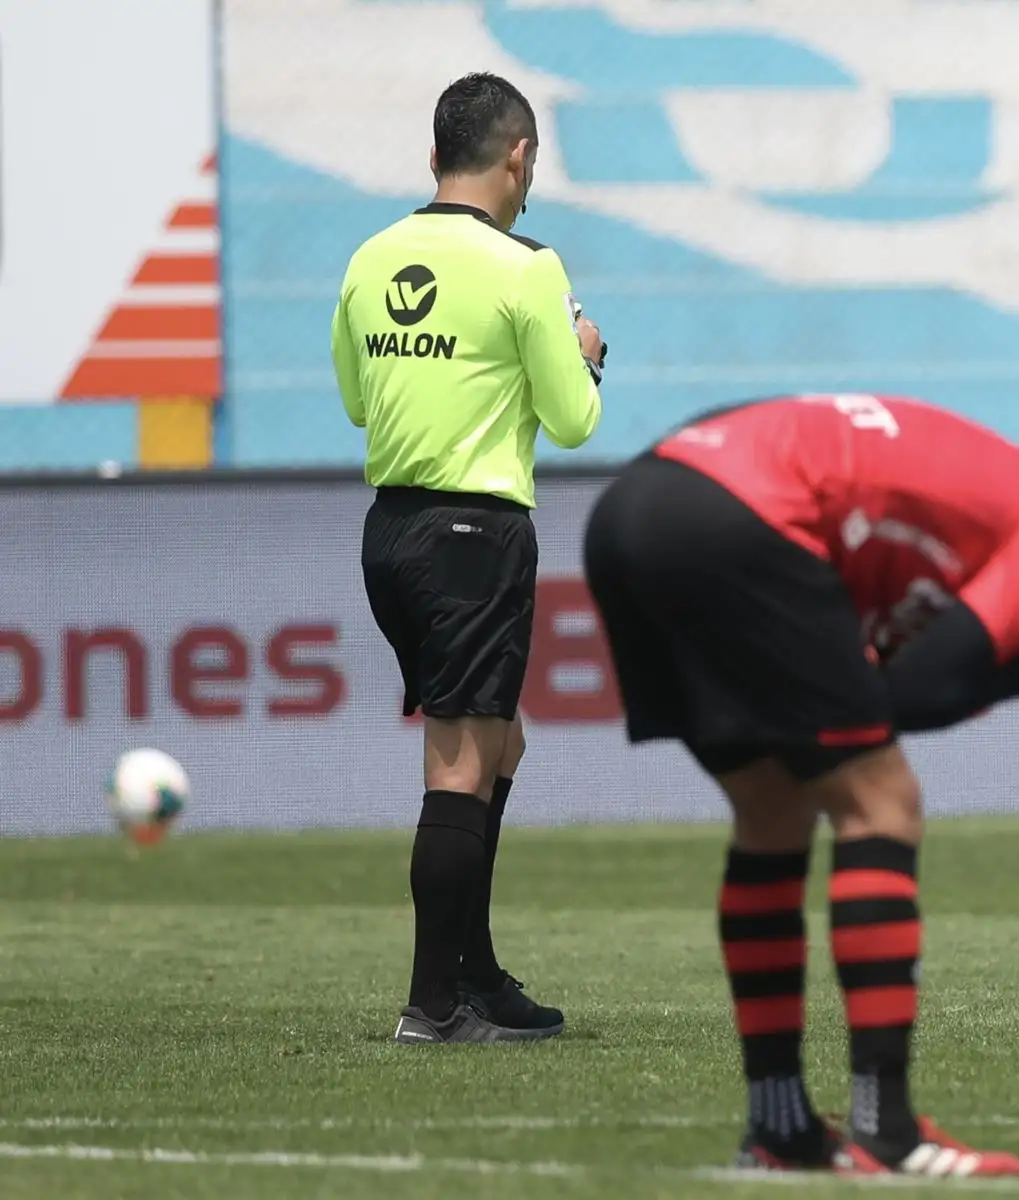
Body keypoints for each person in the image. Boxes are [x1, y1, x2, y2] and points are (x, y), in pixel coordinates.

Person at [583, 393, 1019, 1176]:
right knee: (882, 802)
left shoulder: (967, 526)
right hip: (738, 511)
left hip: (633, 507)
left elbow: (874, 694)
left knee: (774, 810)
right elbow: (914, 692)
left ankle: (780, 1127)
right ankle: (886, 1128)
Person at [330, 72, 605, 1043]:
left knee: (499, 744)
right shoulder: (528, 266)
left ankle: (475, 973)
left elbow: (362, 404)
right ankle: (432, 1004)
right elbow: (572, 419)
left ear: (432, 156)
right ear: (518, 157)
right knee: (457, 761)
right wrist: (585, 349)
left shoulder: (372, 257)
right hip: (473, 535)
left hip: (390, 534)